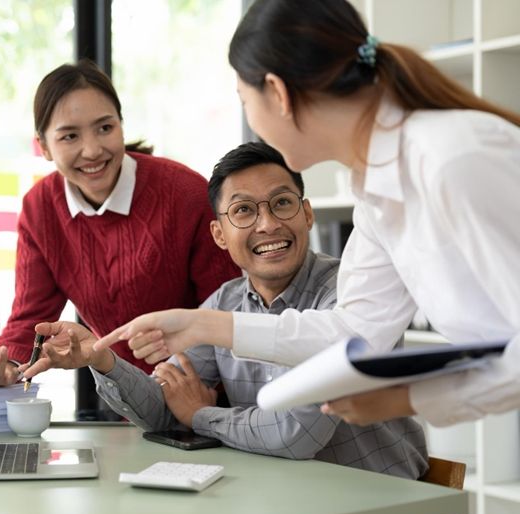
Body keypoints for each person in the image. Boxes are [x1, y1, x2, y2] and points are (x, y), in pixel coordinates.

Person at [94, 0, 520, 428]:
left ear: (278, 92)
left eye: (244, 99)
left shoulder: (451, 158)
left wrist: (408, 397)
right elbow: (354, 331)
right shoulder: (376, 188)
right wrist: (202, 324)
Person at [22, 142, 428, 479]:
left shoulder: (352, 293)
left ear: (307, 213)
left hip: (384, 507)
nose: (267, 224)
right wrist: (102, 358)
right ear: (219, 233)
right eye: (244, 211)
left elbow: (294, 434)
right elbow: (165, 408)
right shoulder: (224, 301)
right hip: (284, 499)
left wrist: (202, 415)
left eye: (282, 203)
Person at [0, 59, 239, 386]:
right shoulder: (40, 208)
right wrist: (7, 364)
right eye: (69, 137)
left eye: (105, 128)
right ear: (44, 147)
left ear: (121, 124)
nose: (92, 150)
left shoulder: (184, 193)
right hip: (127, 399)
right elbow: (31, 317)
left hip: (209, 393)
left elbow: (228, 311)